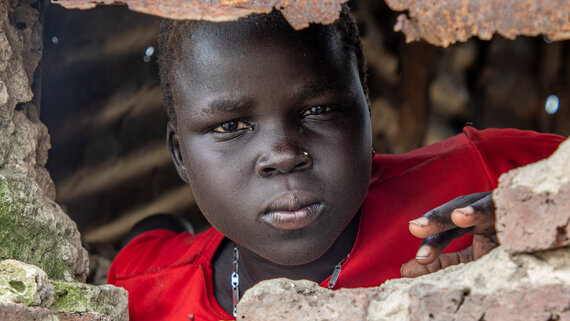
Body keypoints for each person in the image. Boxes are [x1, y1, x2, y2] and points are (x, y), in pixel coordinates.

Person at [107, 6, 565, 321]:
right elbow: (147, 236)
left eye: (319, 110)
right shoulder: (145, 292)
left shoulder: (492, 181)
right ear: (179, 154)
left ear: (365, 109)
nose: (284, 154)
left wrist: (545, 229)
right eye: (232, 126)